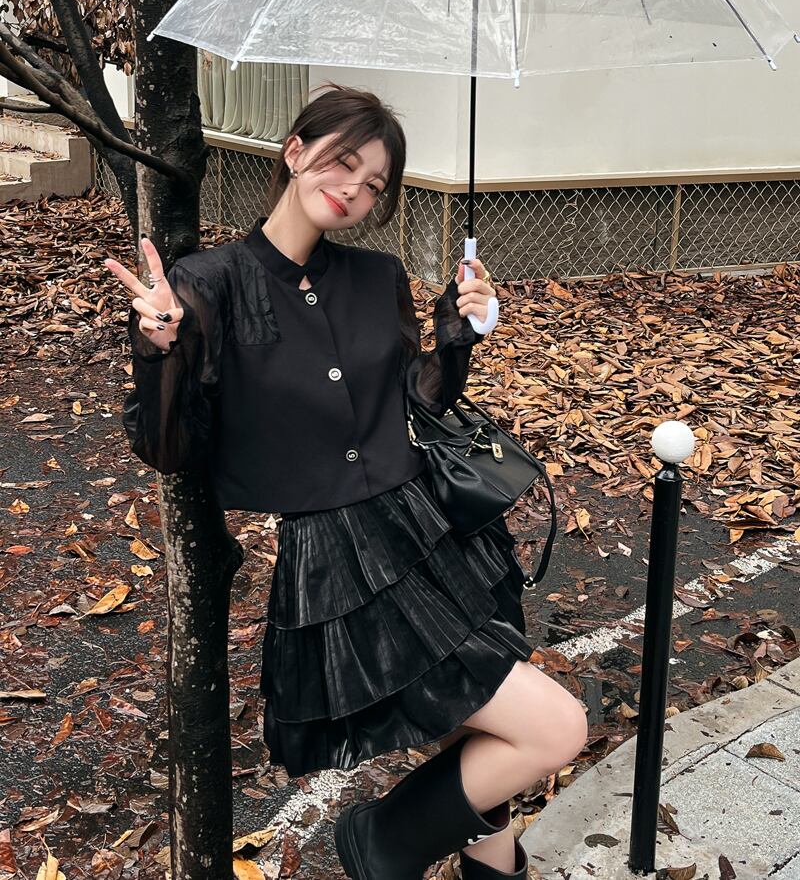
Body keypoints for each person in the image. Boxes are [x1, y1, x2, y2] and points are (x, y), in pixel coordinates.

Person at [105, 84, 588, 880]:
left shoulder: (376, 275)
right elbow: (168, 446)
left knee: (483, 731)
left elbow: (414, 400)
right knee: (555, 728)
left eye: (374, 183)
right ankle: (383, 838)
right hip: (341, 563)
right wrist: (158, 348)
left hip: (429, 533)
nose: (355, 189)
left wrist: (458, 332)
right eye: (344, 162)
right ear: (296, 151)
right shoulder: (208, 284)